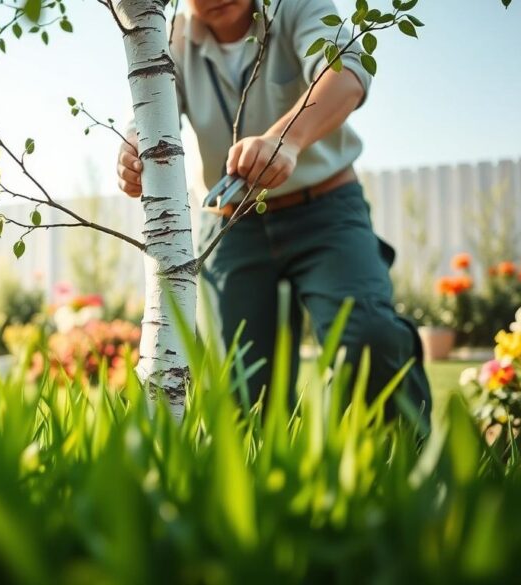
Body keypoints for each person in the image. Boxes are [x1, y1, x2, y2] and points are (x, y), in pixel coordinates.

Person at [116, 0, 432, 420]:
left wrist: (287, 138)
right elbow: (153, 112)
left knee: (369, 341)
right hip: (232, 228)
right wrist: (134, 146)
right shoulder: (170, 36)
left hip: (325, 210)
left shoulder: (297, 5)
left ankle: (407, 467)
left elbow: (348, 73)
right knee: (243, 390)